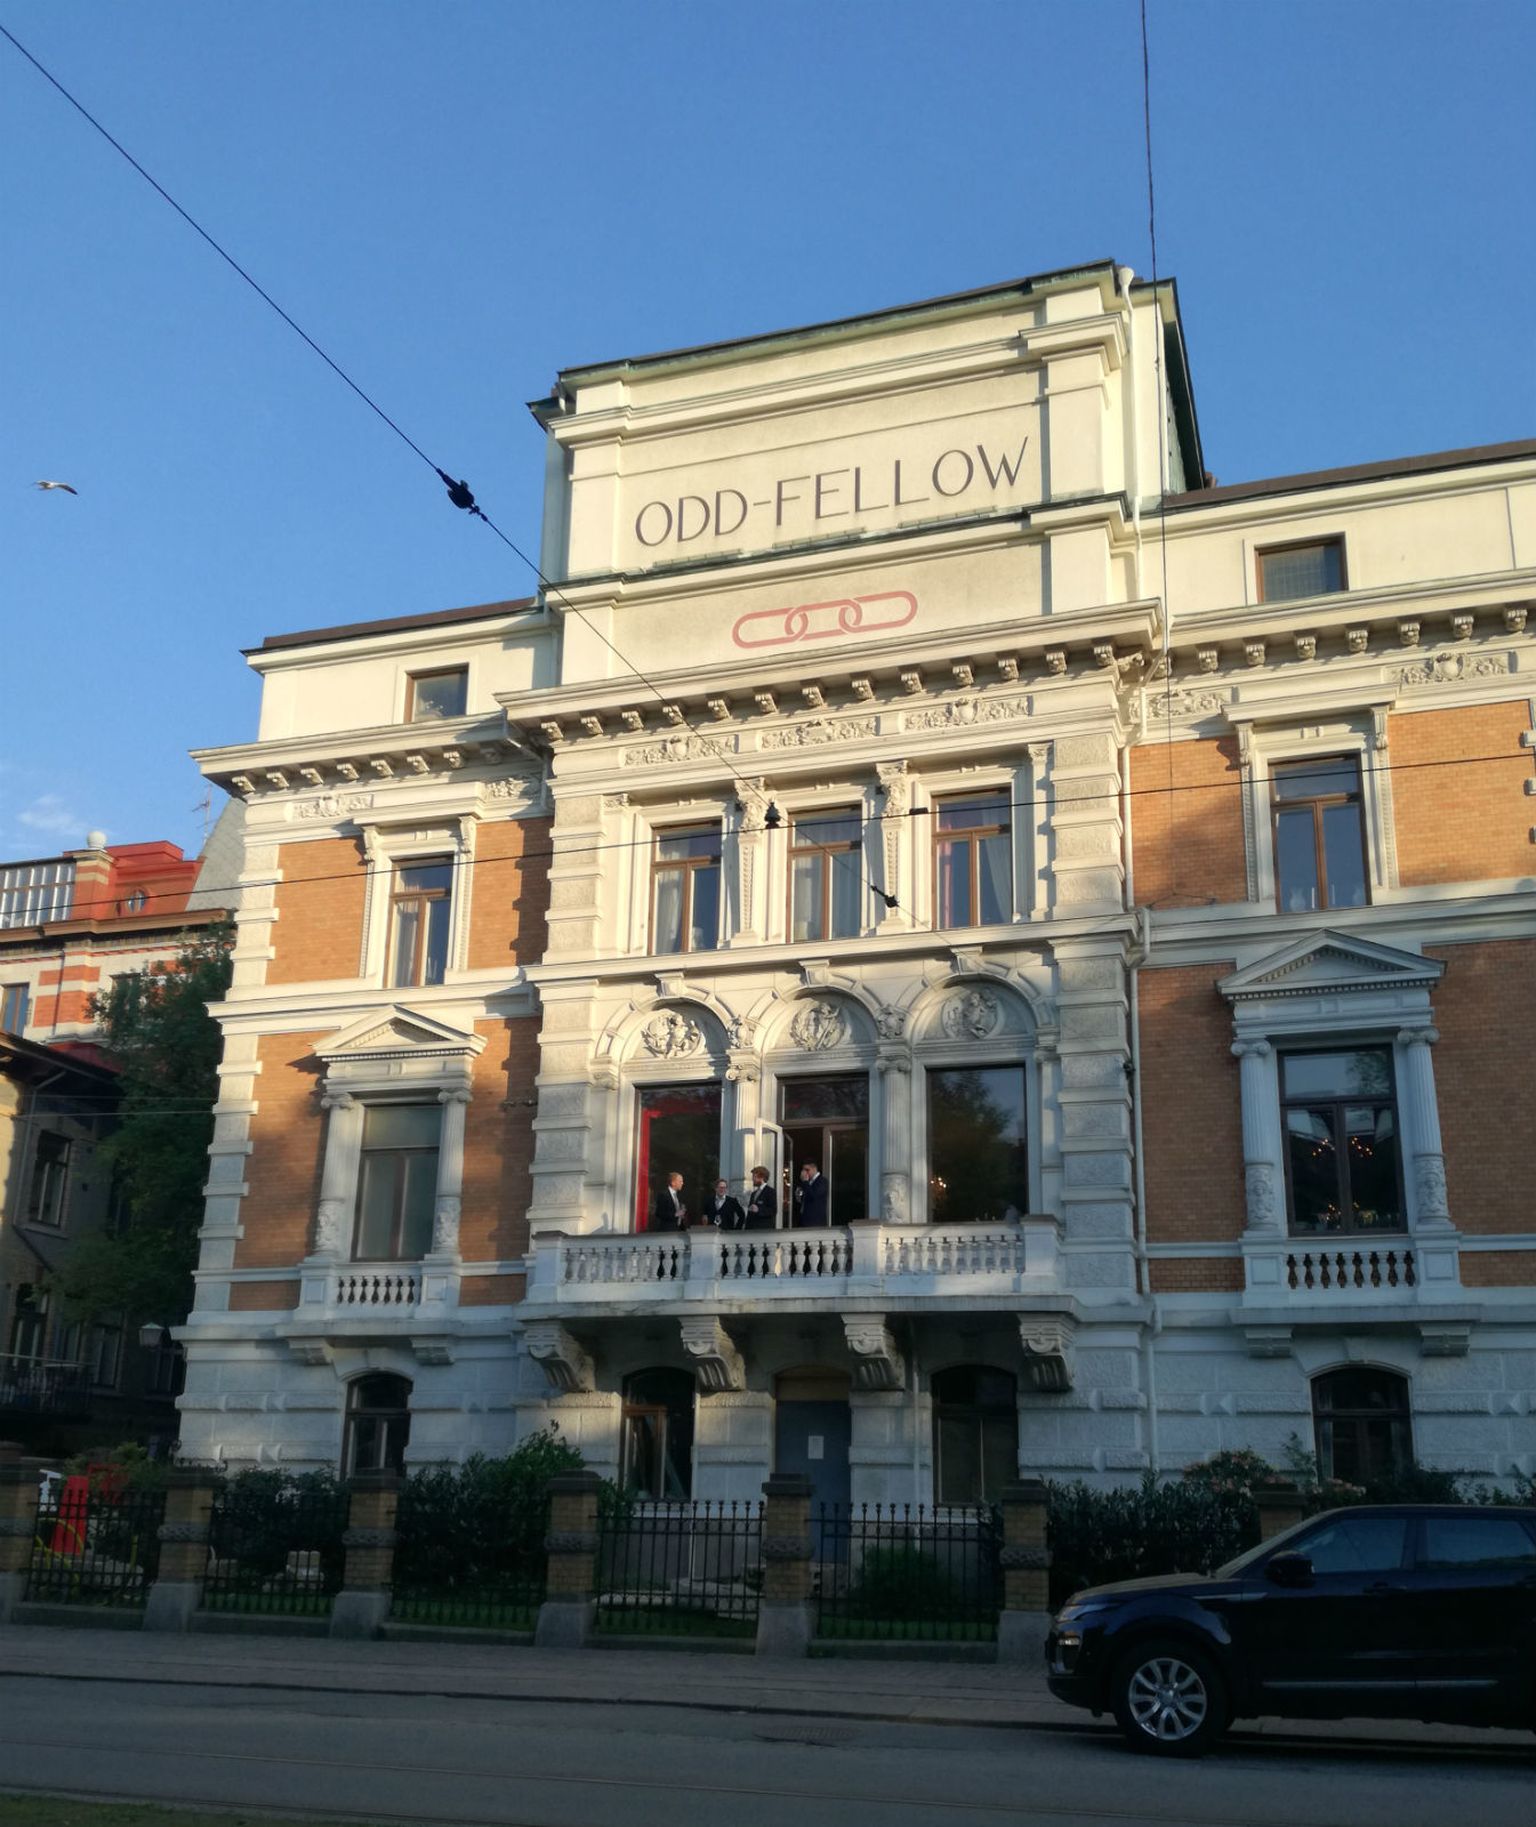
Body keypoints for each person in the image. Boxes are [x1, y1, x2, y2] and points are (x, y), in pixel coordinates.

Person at [795, 1160, 829, 1228]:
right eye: (803, 1170)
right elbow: (800, 1199)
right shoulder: (807, 1182)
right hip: (804, 1220)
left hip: (815, 1222)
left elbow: (813, 1196)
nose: (805, 1173)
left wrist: (805, 1182)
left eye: (807, 1170)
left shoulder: (822, 1181)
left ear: (814, 1169)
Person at [744, 1165, 777, 1231]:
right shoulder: (753, 1194)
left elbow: (773, 1211)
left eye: (754, 1177)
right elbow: (750, 1213)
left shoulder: (770, 1191)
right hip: (751, 1231)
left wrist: (759, 1210)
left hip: (764, 1231)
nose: (753, 1179)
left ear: (762, 1177)